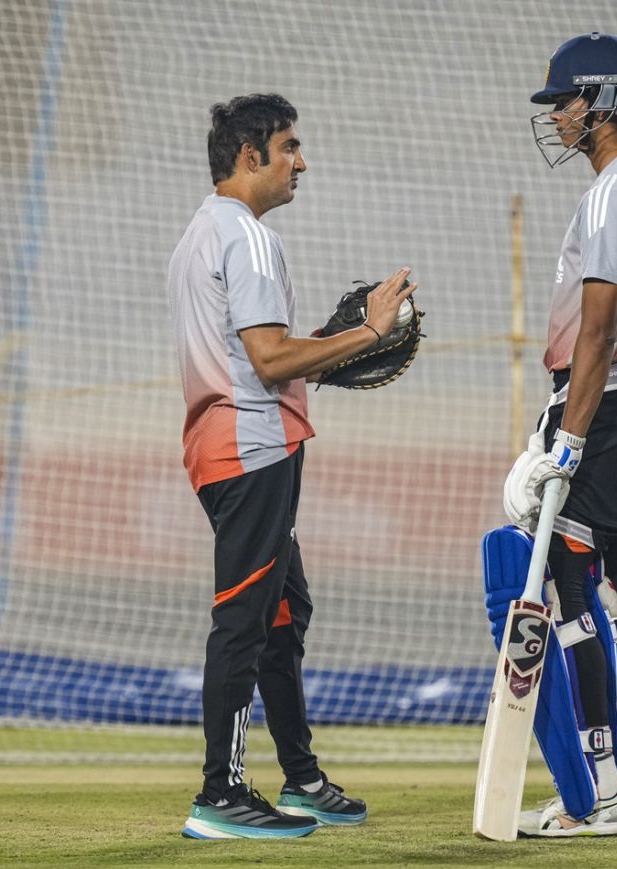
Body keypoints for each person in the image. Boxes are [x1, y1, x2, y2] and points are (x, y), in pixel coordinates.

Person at [166, 93, 416, 840]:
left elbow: (256, 356)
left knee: (283, 611)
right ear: (251, 155)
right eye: (289, 146)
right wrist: (366, 333)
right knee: (244, 619)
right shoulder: (245, 237)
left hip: (233, 446)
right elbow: (270, 359)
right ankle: (221, 792)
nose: (300, 161)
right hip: (251, 451)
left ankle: (300, 776)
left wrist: (327, 349)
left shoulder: (202, 232)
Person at [507, 32, 617, 836]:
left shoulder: (616, 192)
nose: (558, 116)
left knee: (572, 582)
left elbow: (598, 328)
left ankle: (604, 795)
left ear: (605, 100)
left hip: (606, 404)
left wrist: (566, 437)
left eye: (567, 100)